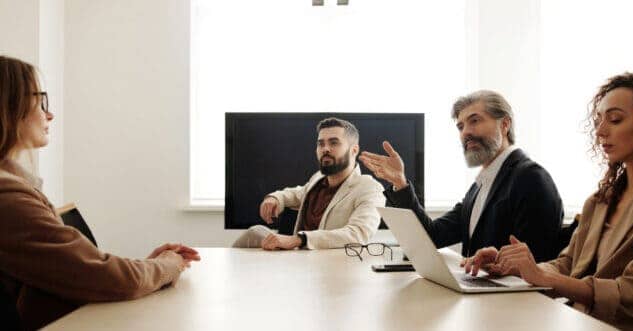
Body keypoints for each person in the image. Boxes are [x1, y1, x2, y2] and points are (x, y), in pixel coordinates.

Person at [468, 73, 633, 330]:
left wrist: (539, 275)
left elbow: (631, 295)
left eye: (615, 119)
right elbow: (569, 265)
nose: (601, 130)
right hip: (578, 321)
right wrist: (512, 268)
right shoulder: (601, 200)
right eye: (599, 120)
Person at [0, 55, 201, 330]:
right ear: (9, 107)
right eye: (41, 100)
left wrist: (147, 266)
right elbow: (100, 275)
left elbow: (86, 271)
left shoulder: (14, 189)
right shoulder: (8, 197)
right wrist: (168, 266)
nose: (50, 114)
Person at [359, 90, 564, 262]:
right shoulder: (480, 186)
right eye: (461, 126)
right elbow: (432, 237)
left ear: (505, 124)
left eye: (475, 121)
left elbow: (536, 263)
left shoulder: (531, 178)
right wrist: (400, 183)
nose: (466, 132)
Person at [233, 117, 385, 250]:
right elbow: (297, 193)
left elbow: (358, 233)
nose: (325, 149)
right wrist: (275, 198)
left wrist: (300, 239)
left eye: (334, 143)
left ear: (354, 150)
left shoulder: (370, 188)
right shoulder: (318, 179)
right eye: (321, 144)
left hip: (329, 264)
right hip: (297, 257)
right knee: (256, 231)